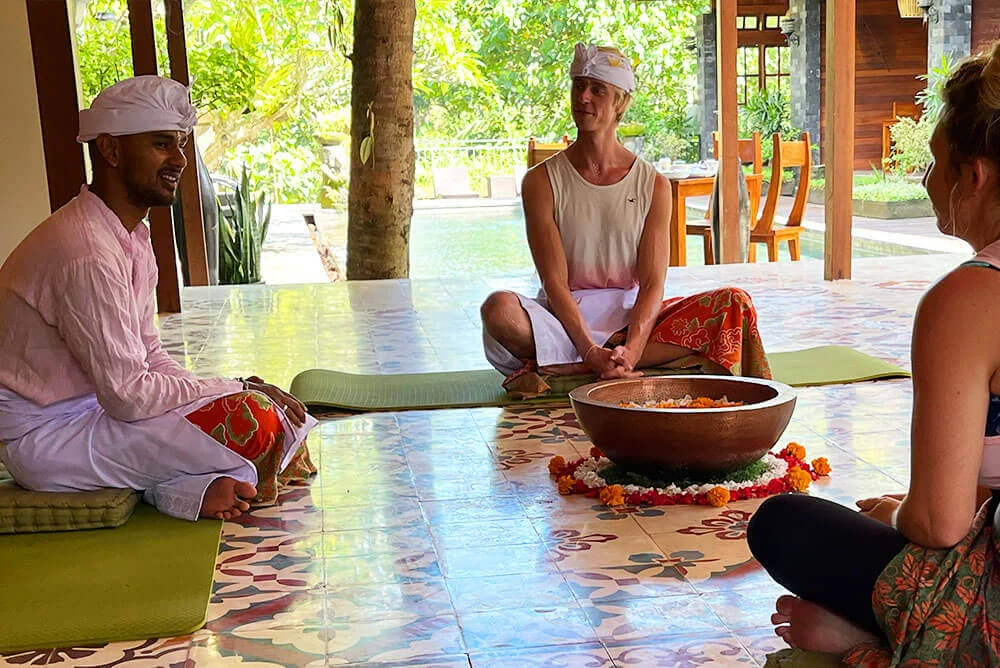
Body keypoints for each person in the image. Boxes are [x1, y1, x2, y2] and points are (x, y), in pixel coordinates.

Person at [747, 41, 1000, 665]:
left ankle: (873, 643)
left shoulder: (971, 297)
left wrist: (900, 517)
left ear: (975, 176)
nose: (925, 180)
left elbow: (939, 525)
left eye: (935, 162)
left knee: (783, 524)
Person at [0, 76, 316, 522]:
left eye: (180, 145)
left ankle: (181, 489)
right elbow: (129, 395)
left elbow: (149, 356)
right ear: (111, 150)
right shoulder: (85, 252)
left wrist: (213, 394)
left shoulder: (129, 237)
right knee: (254, 420)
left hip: (101, 415)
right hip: (49, 439)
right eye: (162, 145)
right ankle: (177, 487)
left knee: (270, 417)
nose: (180, 160)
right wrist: (234, 387)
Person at [481, 43, 771, 392]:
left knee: (734, 303)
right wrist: (589, 350)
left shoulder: (653, 184)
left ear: (620, 103)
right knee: (497, 309)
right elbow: (554, 282)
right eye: (578, 86)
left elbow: (652, 284)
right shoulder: (541, 181)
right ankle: (599, 360)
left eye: (597, 90)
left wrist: (631, 350)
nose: (583, 97)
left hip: (632, 322)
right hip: (562, 321)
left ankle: (584, 363)